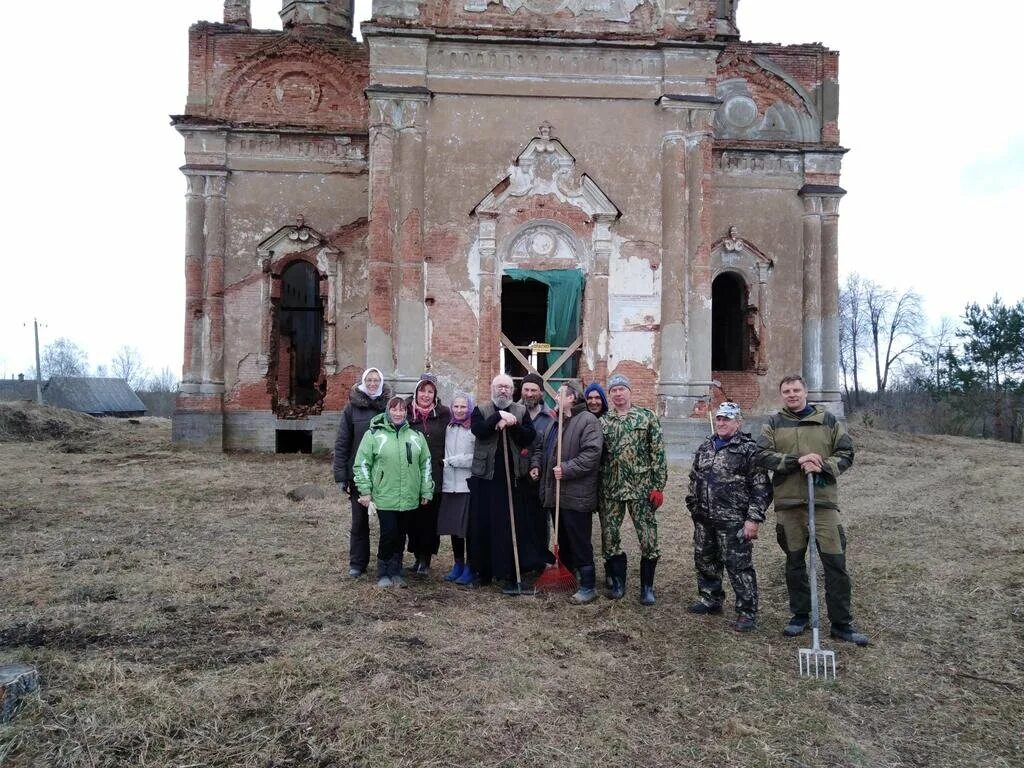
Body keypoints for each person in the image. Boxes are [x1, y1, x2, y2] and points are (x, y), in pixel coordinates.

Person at [756, 374, 868, 646]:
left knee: (835, 563)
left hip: (822, 504)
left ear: (805, 391)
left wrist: (823, 465)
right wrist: (797, 461)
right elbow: (761, 455)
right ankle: (800, 615)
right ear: (781, 395)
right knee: (795, 563)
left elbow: (846, 453)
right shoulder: (773, 423)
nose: (792, 394)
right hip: (789, 505)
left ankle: (841, 623)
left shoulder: (827, 421)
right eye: (786, 391)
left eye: (796, 389)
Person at [685, 402, 772, 631]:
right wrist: (693, 505)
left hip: (733, 521)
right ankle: (710, 599)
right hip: (704, 518)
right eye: (720, 418)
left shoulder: (748, 450)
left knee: (738, 566)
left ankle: (747, 611)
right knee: (705, 560)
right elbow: (694, 478)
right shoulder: (706, 447)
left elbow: (761, 487)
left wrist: (753, 519)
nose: (722, 423)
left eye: (727, 419)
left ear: (738, 422)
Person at [466, 373, 544, 593]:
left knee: (510, 528)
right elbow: (478, 431)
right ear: (492, 388)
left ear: (512, 391)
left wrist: (513, 423)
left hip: (512, 480)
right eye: (499, 387)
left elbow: (529, 437)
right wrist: (497, 418)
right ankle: (483, 572)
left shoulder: (520, 411)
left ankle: (510, 572)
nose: (503, 391)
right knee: (484, 526)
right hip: (486, 479)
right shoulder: (481, 410)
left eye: (507, 388)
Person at [530, 381, 603, 604]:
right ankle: (568, 575)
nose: (556, 397)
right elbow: (542, 448)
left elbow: (592, 453)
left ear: (572, 397)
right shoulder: (556, 422)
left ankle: (588, 585)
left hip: (577, 494)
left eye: (560, 393)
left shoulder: (587, 421)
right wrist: (537, 466)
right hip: (556, 494)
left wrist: (567, 469)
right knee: (563, 538)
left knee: (579, 540)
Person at [598, 373, 667, 605]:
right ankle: (618, 584)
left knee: (648, 538)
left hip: (641, 488)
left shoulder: (646, 417)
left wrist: (658, 486)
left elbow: (657, 452)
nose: (618, 394)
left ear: (630, 391)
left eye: (621, 389)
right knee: (610, 536)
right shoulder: (604, 421)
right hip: (611, 488)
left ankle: (647, 588)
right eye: (613, 390)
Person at [352, 395, 433, 588]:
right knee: (388, 533)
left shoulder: (416, 436)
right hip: (385, 495)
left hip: (408, 496)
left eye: (402, 410)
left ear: (407, 412)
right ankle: (384, 571)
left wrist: (426, 490)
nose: (398, 413)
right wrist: (365, 491)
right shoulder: (374, 435)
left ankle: (397, 570)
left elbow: (426, 465)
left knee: (401, 534)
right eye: (394, 409)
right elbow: (362, 464)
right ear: (388, 412)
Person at [332, 367, 391, 578]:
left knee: (388, 523)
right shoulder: (352, 409)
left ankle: (388, 564)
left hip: (385, 476)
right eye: (370, 380)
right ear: (364, 382)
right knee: (359, 522)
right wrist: (341, 475)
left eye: (377, 380)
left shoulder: (389, 408)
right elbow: (342, 443)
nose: (373, 383)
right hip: (359, 475)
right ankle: (357, 563)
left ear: (381, 382)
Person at [405, 372, 451, 577]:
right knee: (412, 518)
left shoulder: (443, 414)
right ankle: (416, 557)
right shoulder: (406, 413)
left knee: (429, 519)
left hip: (435, 474)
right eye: (422, 390)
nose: (426, 395)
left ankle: (426, 559)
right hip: (411, 474)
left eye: (430, 391)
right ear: (416, 391)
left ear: (435, 394)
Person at [516, 372, 556, 562]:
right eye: (526, 389)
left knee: (540, 520)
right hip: (516, 475)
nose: (529, 393)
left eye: (534, 390)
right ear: (521, 391)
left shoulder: (551, 417)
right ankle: (521, 559)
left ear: (541, 393)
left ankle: (539, 559)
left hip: (541, 475)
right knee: (518, 519)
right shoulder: (513, 411)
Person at [437, 391, 476, 584]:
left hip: (465, 485)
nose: (459, 410)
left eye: (463, 407)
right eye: (456, 406)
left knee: (466, 529)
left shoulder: (473, 429)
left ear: (470, 408)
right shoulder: (449, 427)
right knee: (454, 529)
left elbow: (475, 458)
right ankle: (458, 563)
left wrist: (452, 461)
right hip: (449, 485)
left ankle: (470, 566)